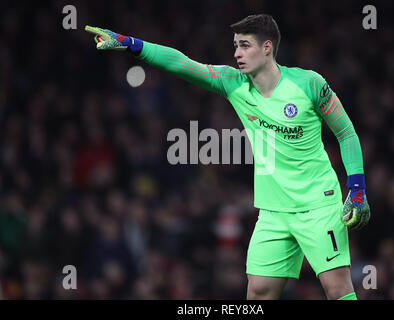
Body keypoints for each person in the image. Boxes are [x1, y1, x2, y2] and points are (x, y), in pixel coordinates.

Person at [85, 14, 370, 300]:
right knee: (258, 293)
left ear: (267, 47)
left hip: (318, 204)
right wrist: (131, 44)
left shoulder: (309, 84)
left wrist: (356, 189)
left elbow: (346, 133)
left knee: (337, 290)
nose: (236, 53)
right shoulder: (233, 83)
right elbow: (182, 64)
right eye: (235, 46)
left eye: (245, 45)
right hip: (273, 212)